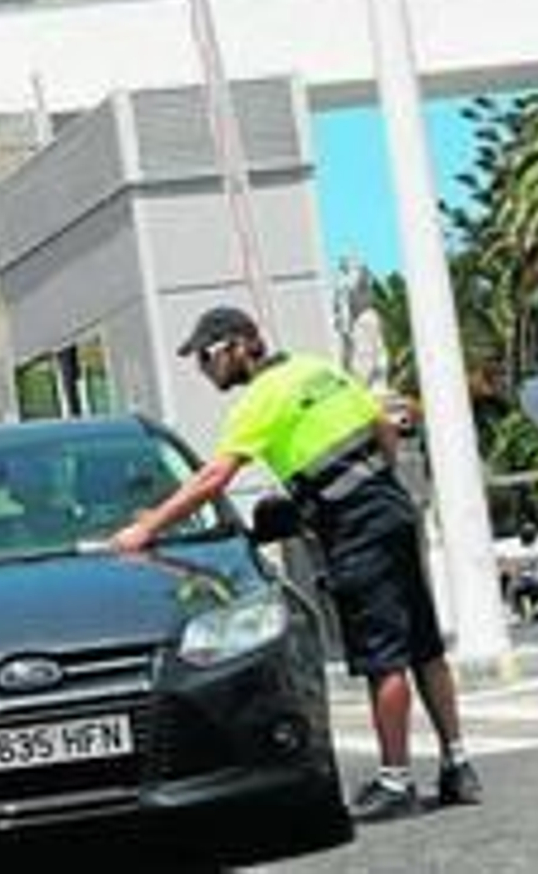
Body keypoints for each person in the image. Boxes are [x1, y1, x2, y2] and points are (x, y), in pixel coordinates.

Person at [109, 305, 481, 821]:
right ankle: (458, 765)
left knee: (383, 658)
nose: (204, 368)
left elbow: (213, 477)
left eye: (207, 356)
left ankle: (396, 782)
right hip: (392, 508)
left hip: (353, 529)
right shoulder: (317, 368)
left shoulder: (260, 400)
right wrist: (376, 480)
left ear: (239, 346)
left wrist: (148, 528)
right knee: (424, 643)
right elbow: (382, 425)